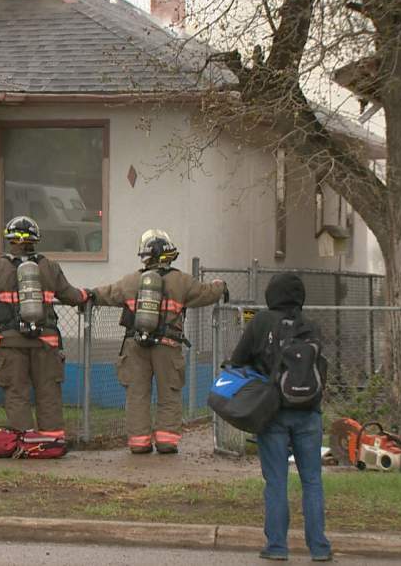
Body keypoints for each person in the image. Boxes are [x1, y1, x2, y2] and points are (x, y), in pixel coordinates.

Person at [87, 230, 225, 453]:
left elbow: (107, 293)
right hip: (168, 346)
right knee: (169, 393)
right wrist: (220, 286)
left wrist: (86, 295)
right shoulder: (181, 281)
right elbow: (206, 293)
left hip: (135, 345)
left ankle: (139, 443)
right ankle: (166, 442)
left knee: (137, 394)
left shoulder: (130, 280)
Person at [229, 273, 332, 562]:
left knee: (276, 482)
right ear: (300, 296)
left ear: (271, 294)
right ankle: (320, 548)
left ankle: (277, 547)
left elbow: (238, 361)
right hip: (309, 413)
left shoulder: (261, 322)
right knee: (312, 481)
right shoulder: (310, 326)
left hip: (272, 413)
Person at [0, 216, 90, 442]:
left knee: (16, 393)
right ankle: (52, 442)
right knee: (49, 393)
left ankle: (26, 443)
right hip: (45, 342)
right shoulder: (49, 266)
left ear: (10, 239)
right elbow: (71, 295)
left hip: (9, 342)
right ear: (35, 240)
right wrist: (87, 295)